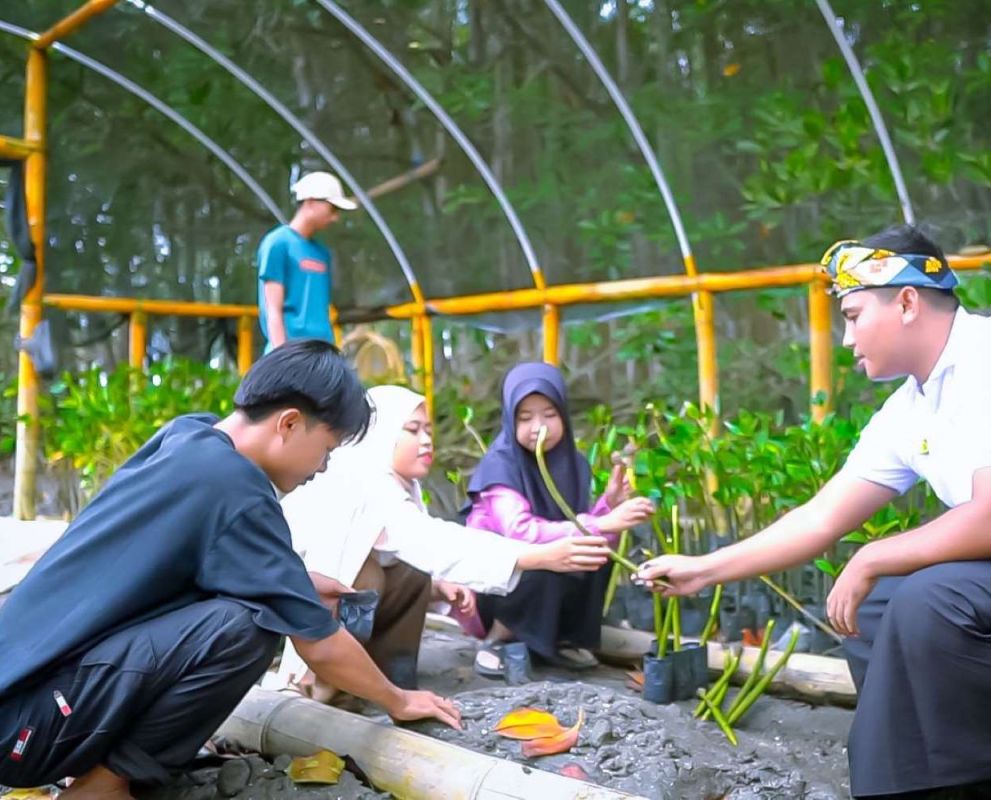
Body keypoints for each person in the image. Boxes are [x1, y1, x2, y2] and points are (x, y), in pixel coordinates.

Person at [638, 226, 991, 800]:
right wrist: (703, 569)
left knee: (926, 597)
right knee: (872, 612)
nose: (846, 336)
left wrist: (874, 554)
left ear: (907, 301)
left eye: (854, 315)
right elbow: (820, 517)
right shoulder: (910, 409)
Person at [0, 340, 460, 799]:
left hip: (20, 702)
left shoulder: (188, 437)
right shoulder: (235, 489)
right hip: (27, 728)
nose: (322, 467)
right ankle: (102, 786)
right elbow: (318, 646)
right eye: (326, 448)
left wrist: (294, 580)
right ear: (290, 423)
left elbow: (175, 564)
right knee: (251, 626)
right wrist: (398, 699)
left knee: (252, 606)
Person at [270, 384, 613, 697]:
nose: (426, 441)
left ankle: (389, 679)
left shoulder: (399, 484)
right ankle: (325, 686)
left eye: (429, 431)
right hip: (292, 611)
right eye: (412, 430)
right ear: (381, 434)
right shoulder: (361, 479)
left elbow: (412, 544)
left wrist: (438, 585)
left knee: (413, 574)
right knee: (365, 578)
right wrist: (536, 556)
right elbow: (425, 538)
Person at [464, 362, 655, 673]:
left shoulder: (574, 464)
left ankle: (564, 637)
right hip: (496, 584)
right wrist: (602, 523)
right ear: (510, 419)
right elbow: (520, 533)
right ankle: (499, 636)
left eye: (550, 415)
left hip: (548, 566)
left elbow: (579, 527)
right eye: (525, 418)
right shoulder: (500, 466)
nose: (539, 426)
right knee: (543, 558)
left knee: (594, 554)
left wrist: (609, 505)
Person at [256, 171, 357, 351]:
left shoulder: (322, 253)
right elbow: (272, 309)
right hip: (290, 352)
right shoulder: (278, 243)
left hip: (321, 352)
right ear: (310, 202)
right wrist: (281, 357)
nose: (335, 218)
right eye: (332, 209)